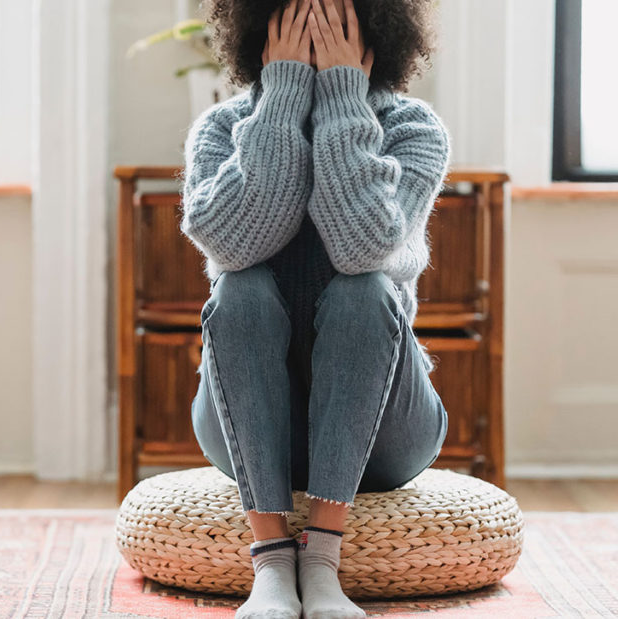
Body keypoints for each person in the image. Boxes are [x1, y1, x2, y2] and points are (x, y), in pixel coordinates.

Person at [180, 0, 450, 616]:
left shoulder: (413, 129)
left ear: (374, 38)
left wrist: (343, 100)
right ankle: (272, 562)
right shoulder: (223, 128)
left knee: (365, 290)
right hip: (246, 429)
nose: (314, 39)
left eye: (333, 28)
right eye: (296, 26)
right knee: (239, 287)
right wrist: (281, 101)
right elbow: (233, 243)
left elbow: (364, 248)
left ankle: (323, 560)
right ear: (261, 36)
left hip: (387, 431)